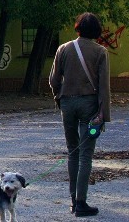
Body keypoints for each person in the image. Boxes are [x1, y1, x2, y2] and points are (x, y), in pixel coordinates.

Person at [49, 12, 111, 218]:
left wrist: (59, 97)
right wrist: (103, 114)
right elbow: (104, 87)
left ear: (78, 27)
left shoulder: (63, 49)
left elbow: (54, 79)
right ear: (96, 30)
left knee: (72, 151)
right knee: (85, 154)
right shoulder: (100, 52)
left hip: (67, 104)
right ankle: (81, 202)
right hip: (89, 105)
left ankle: (72, 202)